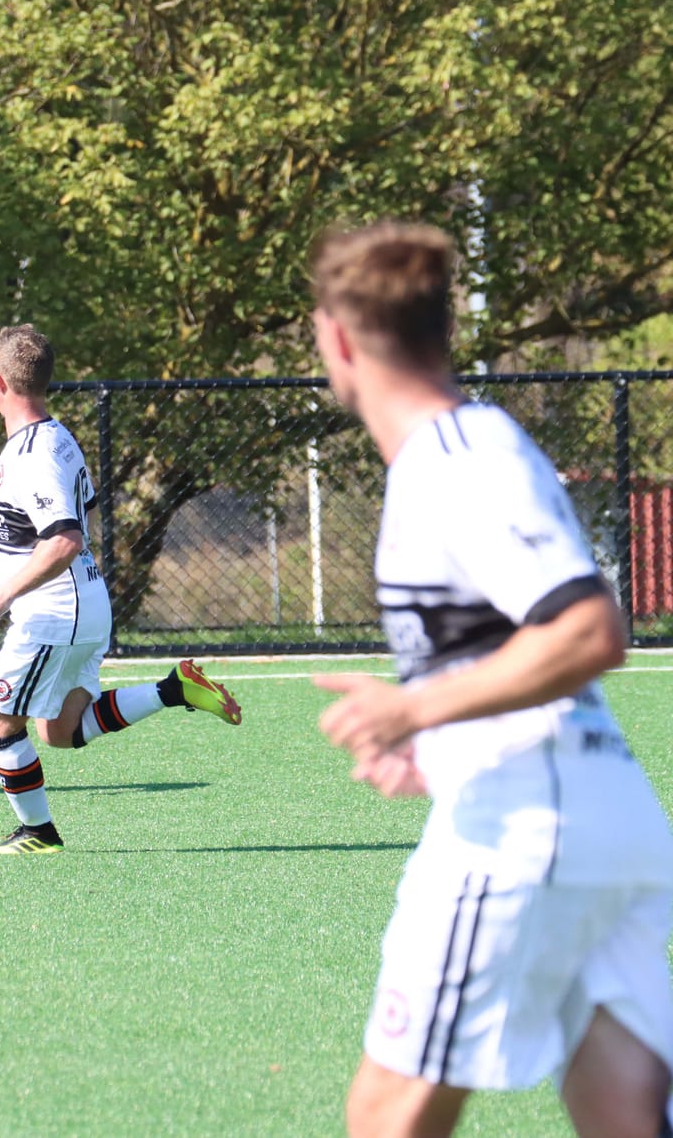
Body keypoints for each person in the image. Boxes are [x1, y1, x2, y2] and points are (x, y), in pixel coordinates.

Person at [310, 222, 673, 1137]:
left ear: (340, 340)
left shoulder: (454, 461)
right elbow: (507, 644)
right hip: (592, 813)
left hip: (524, 829)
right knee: (623, 1105)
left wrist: (414, 706)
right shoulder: (462, 452)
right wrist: (435, 737)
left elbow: (589, 626)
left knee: (387, 1112)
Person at [0, 325, 242, 855]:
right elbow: (76, 519)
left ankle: (38, 834)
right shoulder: (59, 435)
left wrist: (5, 593)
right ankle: (173, 689)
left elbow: (66, 539)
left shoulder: (31, 455)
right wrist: (13, 580)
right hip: (82, 605)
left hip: (54, 612)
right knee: (60, 731)